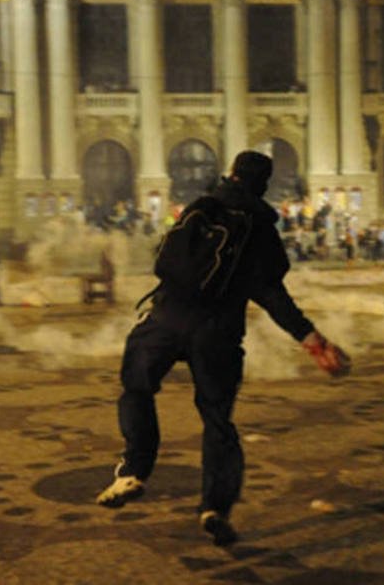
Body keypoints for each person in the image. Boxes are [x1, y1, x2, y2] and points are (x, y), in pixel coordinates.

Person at [95, 150, 349, 545]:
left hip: (166, 318)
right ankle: (215, 506)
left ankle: (134, 469)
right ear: (263, 184)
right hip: (218, 331)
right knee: (217, 420)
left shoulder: (203, 206)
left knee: (136, 387)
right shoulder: (262, 229)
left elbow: (165, 259)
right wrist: (311, 340)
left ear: (231, 174)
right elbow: (271, 293)